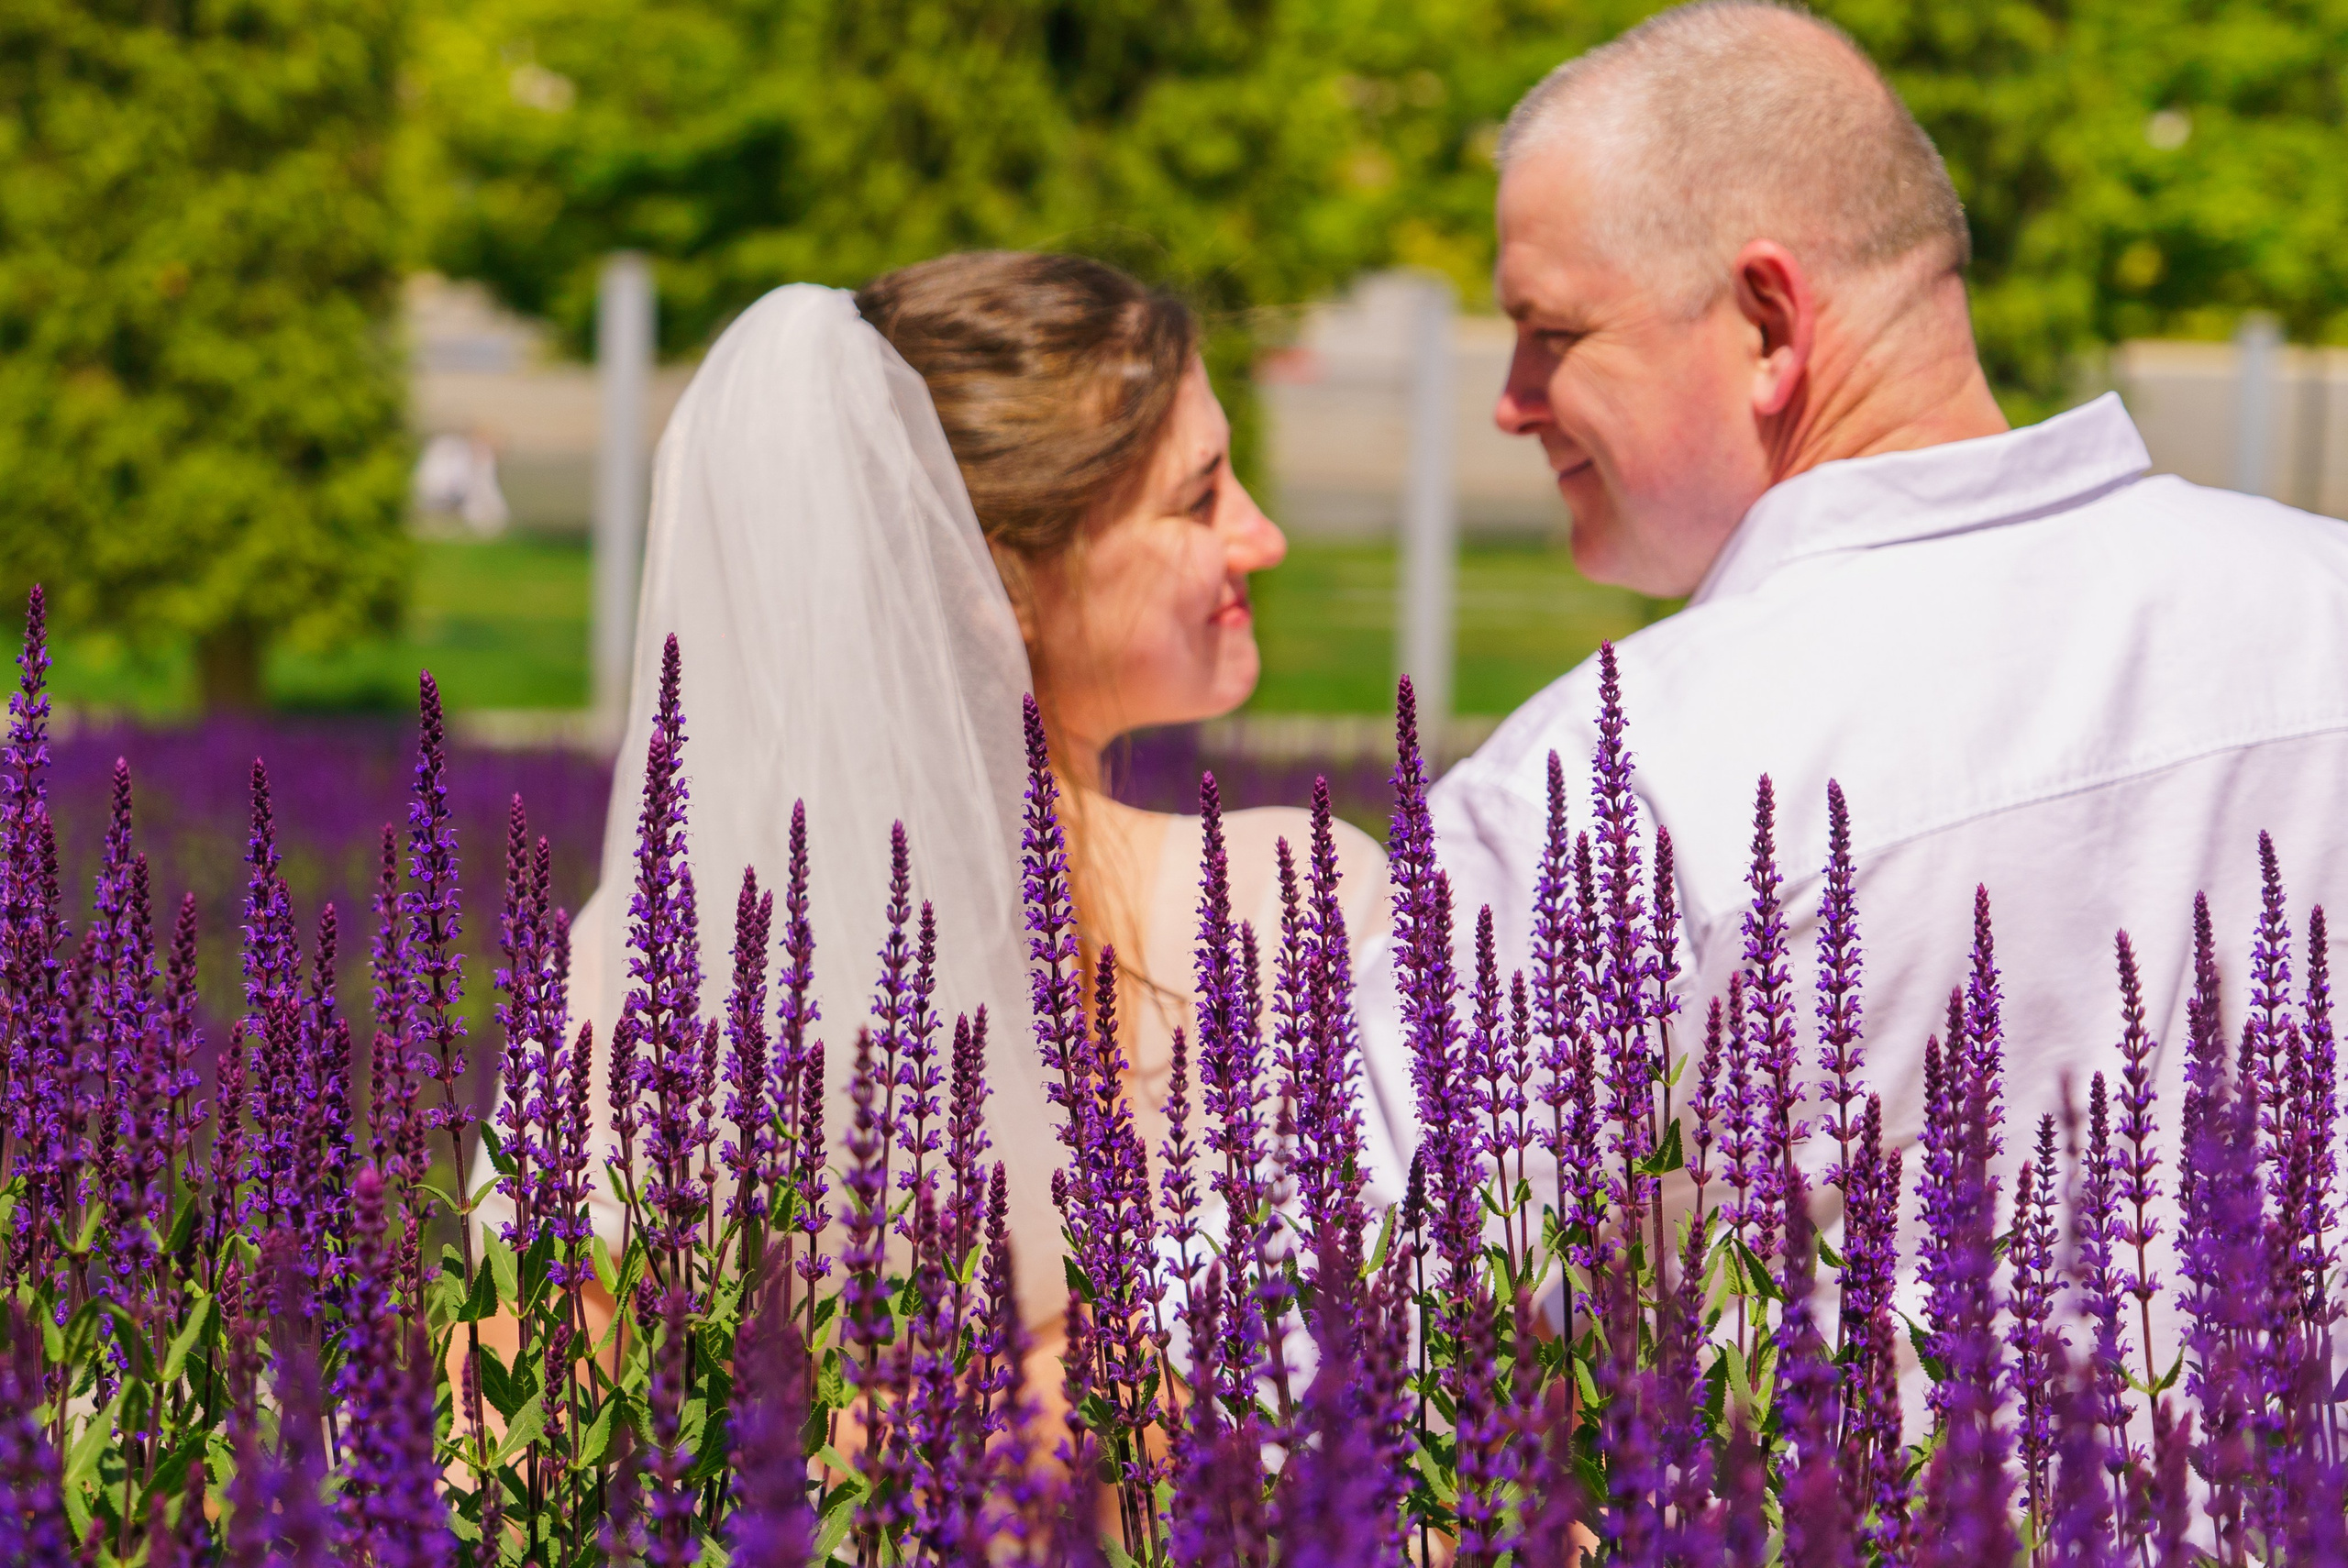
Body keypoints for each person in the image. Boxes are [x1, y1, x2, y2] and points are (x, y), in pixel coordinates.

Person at [1356, 0, 2348, 1372]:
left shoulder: (1616, 775)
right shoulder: (2323, 603)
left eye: (1550, 330)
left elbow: (1317, 1348)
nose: (1511, 399)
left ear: (1768, 319)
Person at [546, 253, 1386, 1326]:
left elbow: (528, 1411)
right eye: (1198, 497)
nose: (1260, 537)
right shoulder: (1284, 898)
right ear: (1005, 589)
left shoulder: (654, 943)